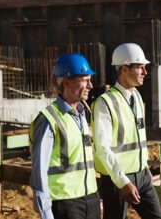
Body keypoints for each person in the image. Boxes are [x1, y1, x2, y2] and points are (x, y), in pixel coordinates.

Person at [91, 43, 161, 219]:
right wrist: (123, 182)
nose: (145, 72)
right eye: (140, 67)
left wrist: (144, 165)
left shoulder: (137, 97)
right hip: (117, 179)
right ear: (124, 69)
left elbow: (137, 137)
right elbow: (102, 148)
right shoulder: (104, 103)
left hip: (141, 175)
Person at [29, 53, 101, 219]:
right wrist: (46, 213)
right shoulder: (48, 119)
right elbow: (39, 172)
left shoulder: (82, 115)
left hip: (91, 197)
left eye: (90, 79)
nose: (90, 85)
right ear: (66, 82)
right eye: (85, 80)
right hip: (65, 203)